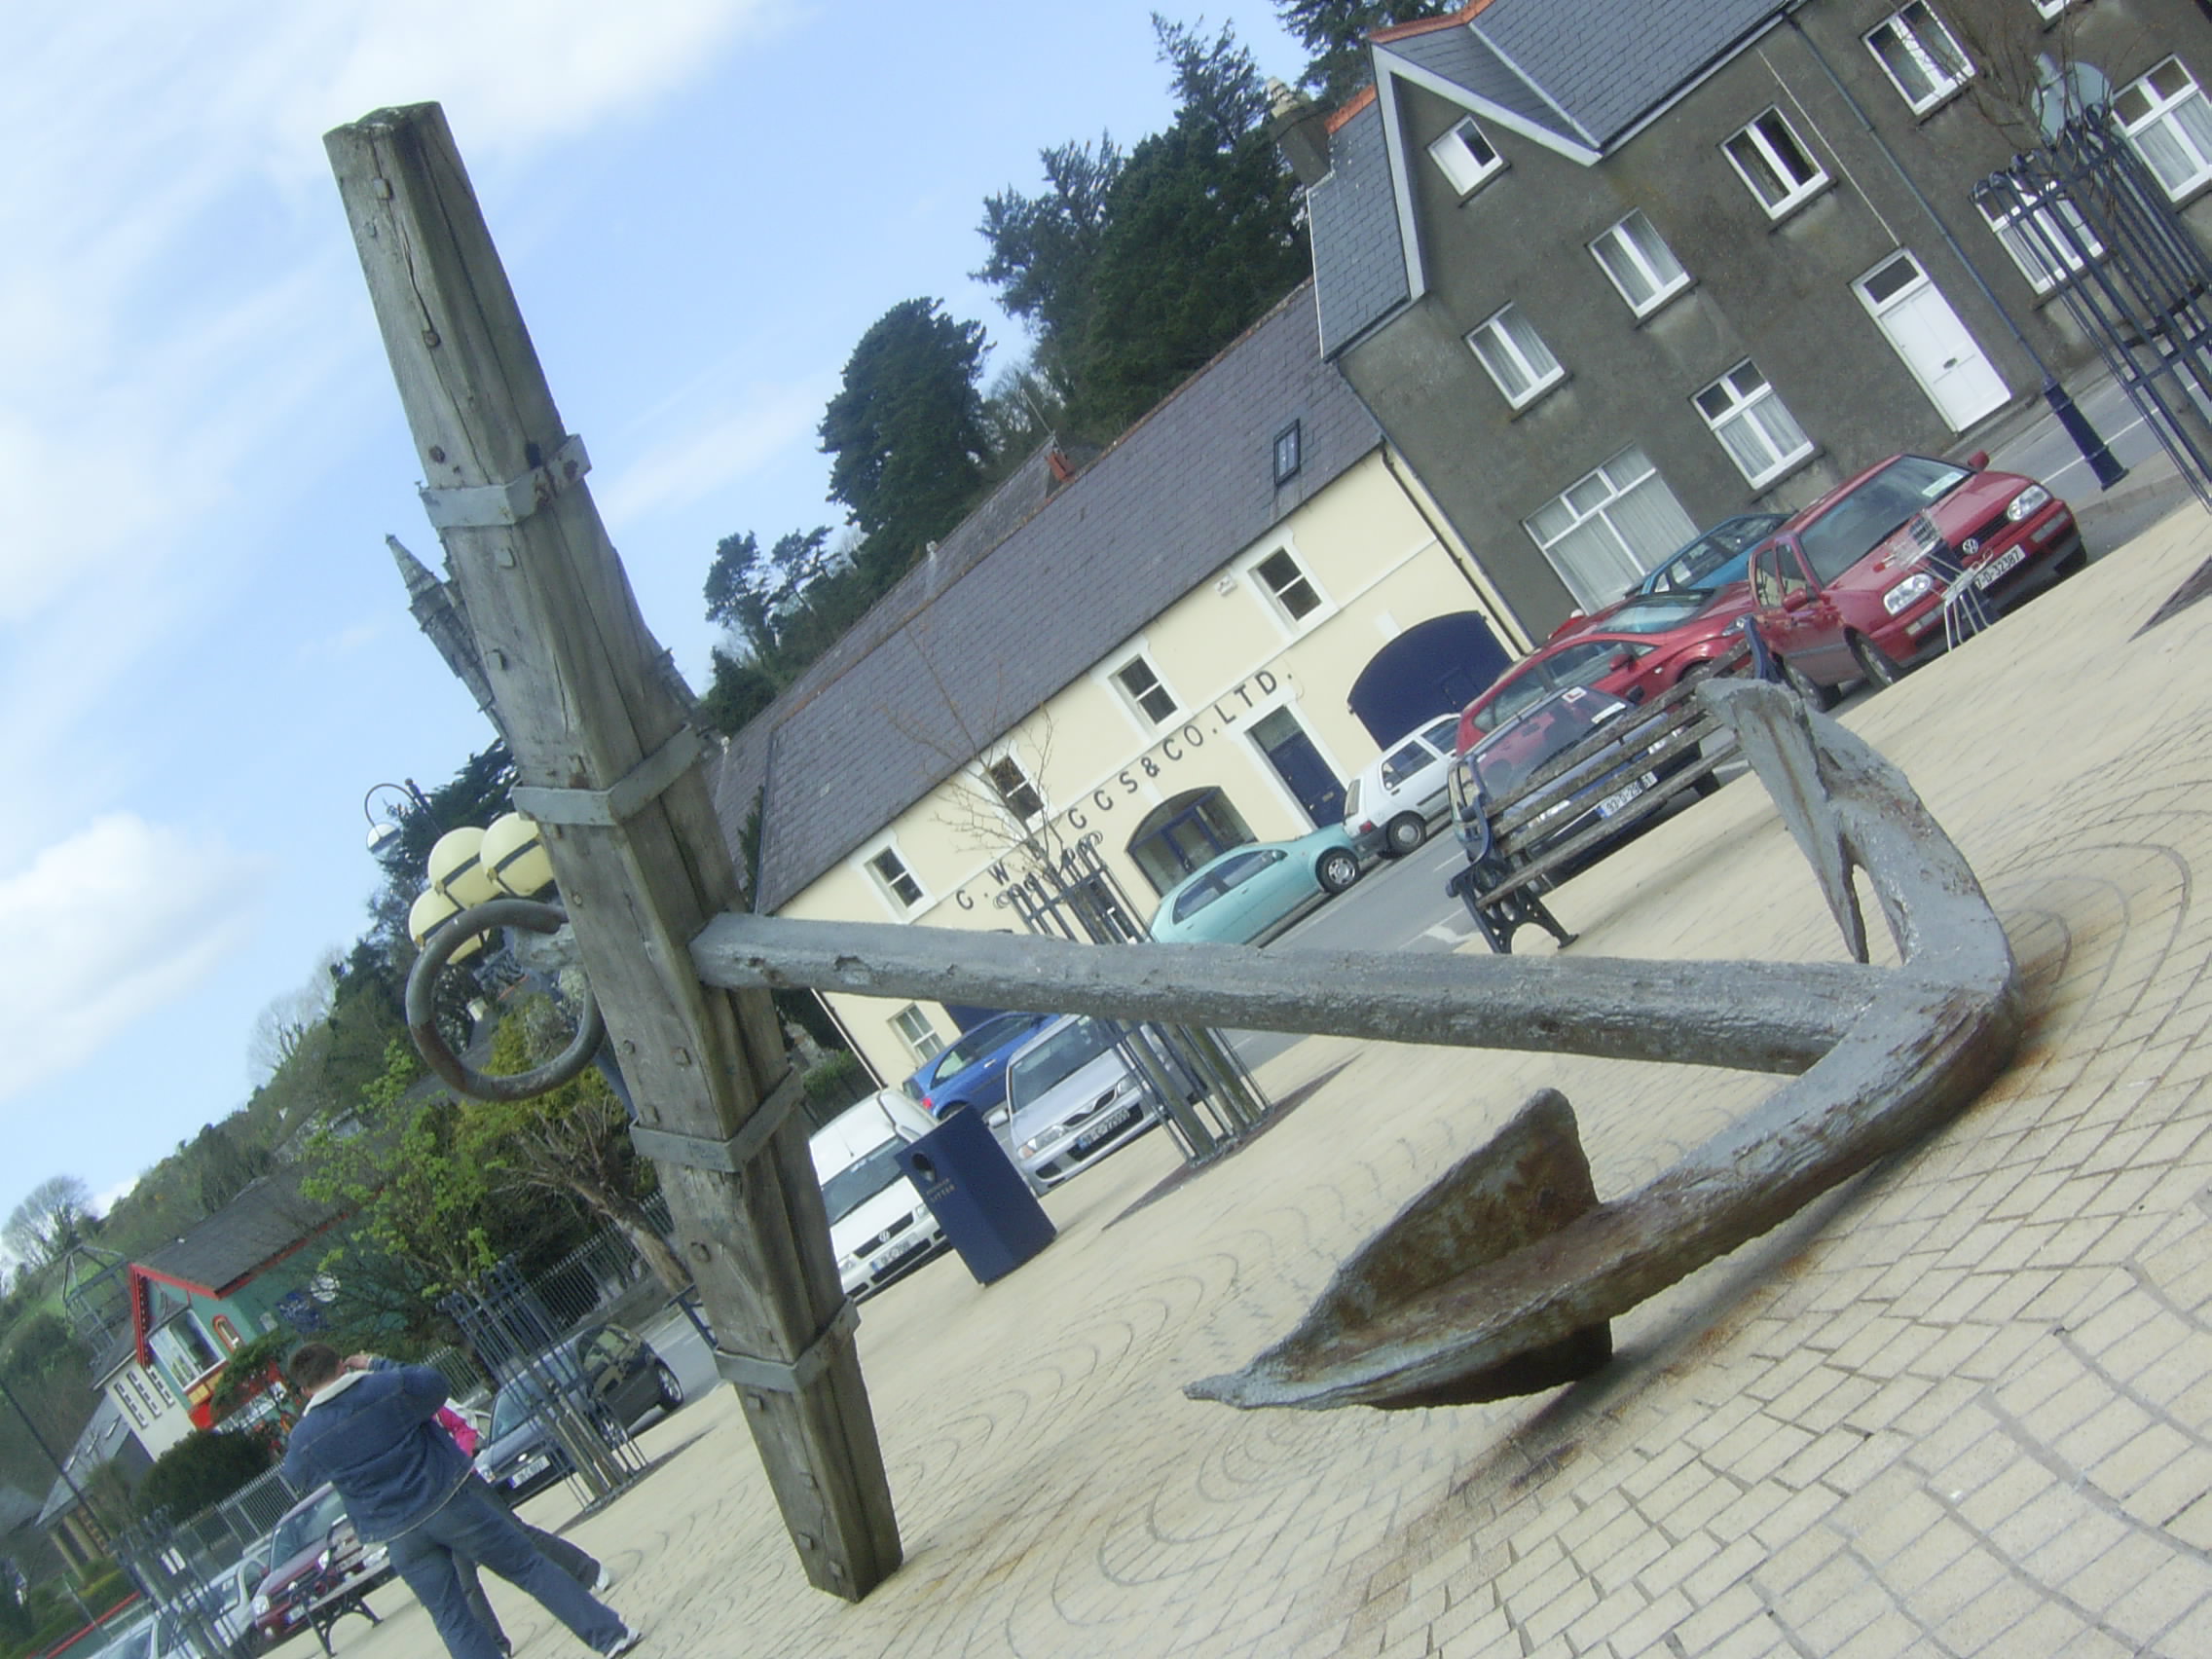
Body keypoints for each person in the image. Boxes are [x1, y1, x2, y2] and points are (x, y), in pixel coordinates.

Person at [279, 1344, 641, 1659]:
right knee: (528, 1568)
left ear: (304, 1389)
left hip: (398, 1533)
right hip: (447, 1501)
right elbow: (435, 1385)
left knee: (452, 1618)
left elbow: (297, 1475)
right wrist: (376, 1363)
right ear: (342, 1365)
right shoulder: (385, 1386)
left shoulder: (306, 1437)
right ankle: (609, 1637)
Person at [437, 1406, 612, 1657]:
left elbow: (464, 1426)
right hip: (437, 1504)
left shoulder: (411, 1397)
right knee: (463, 1577)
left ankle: (588, 1571)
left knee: (518, 1533)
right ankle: (495, 1646)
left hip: (467, 1482)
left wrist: (460, 1459)